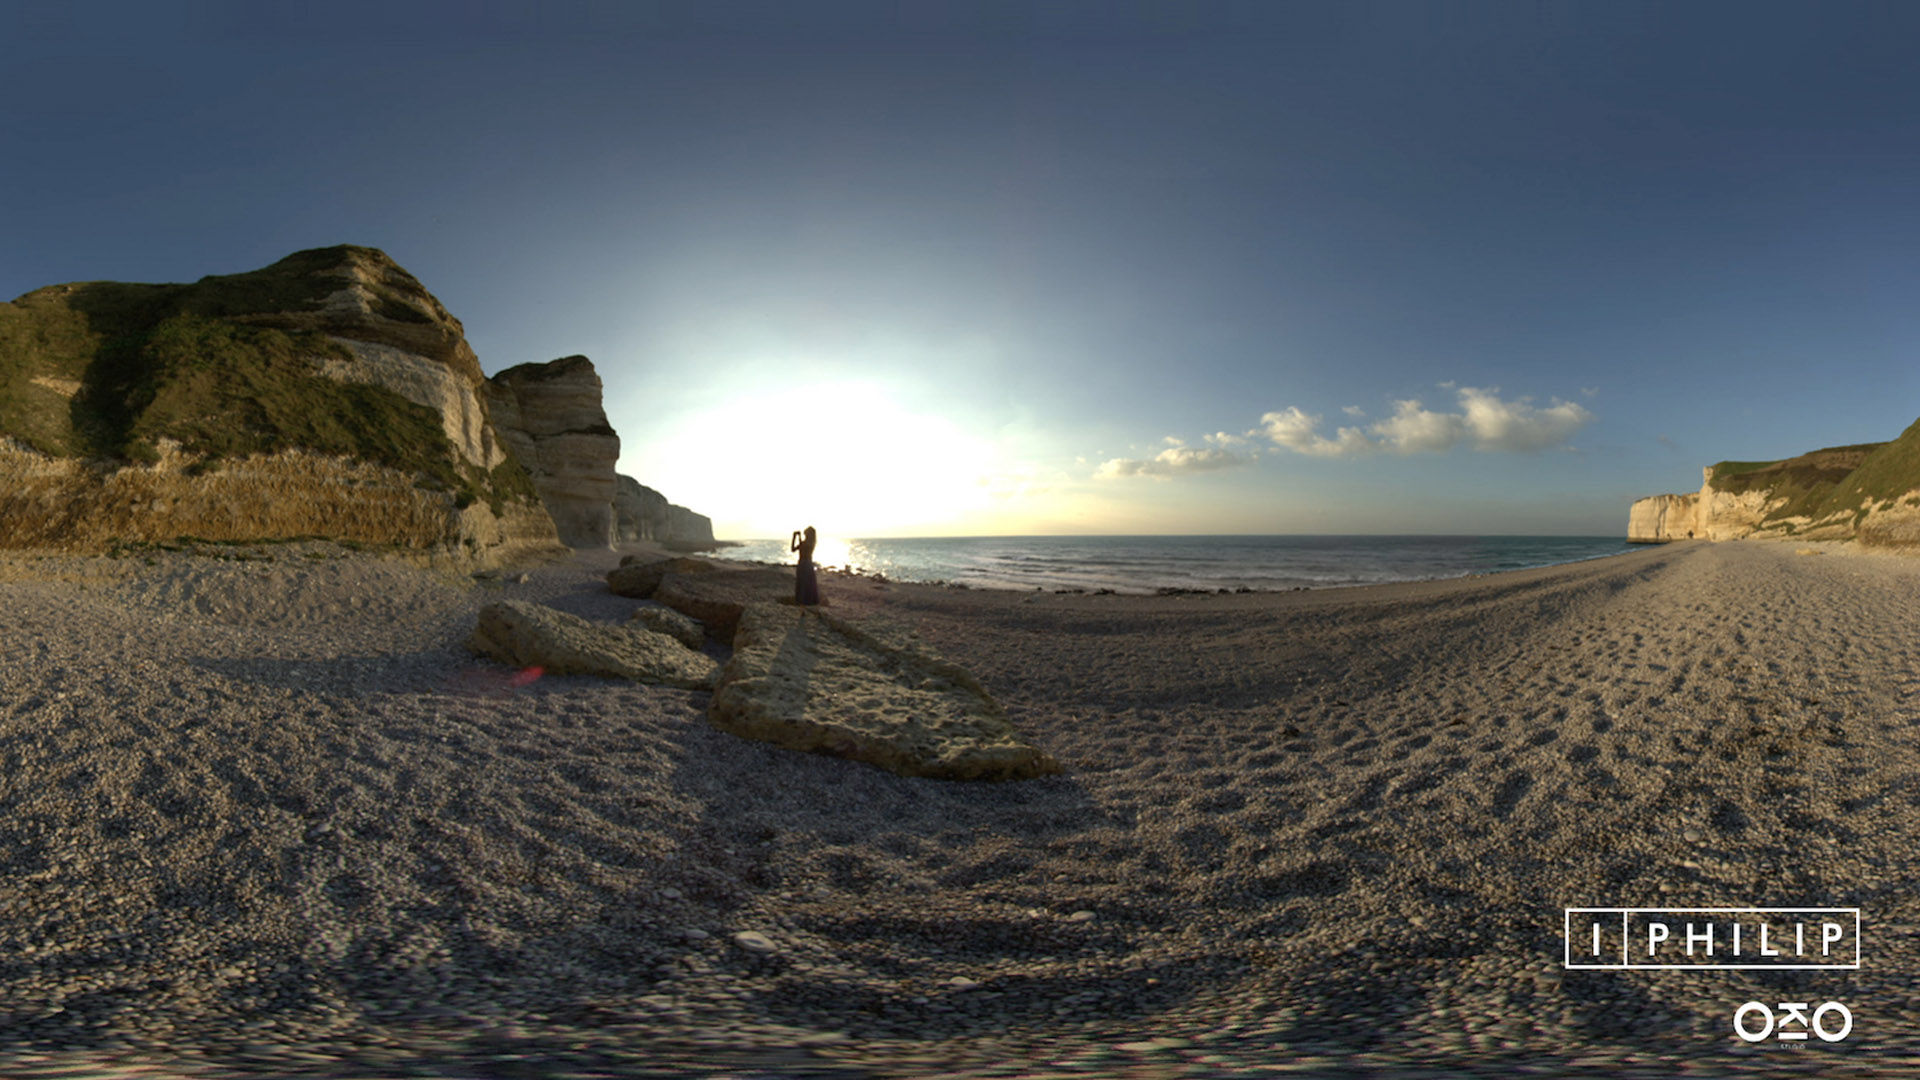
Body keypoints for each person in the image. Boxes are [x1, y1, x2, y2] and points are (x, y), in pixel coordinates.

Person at [790, 525, 820, 606]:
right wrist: (794, 537)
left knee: (806, 583)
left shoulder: (809, 543)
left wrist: (797, 537)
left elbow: (802, 548)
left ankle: (805, 602)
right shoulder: (807, 543)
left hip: (805, 564)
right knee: (803, 583)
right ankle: (803, 602)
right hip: (804, 564)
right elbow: (792, 549)